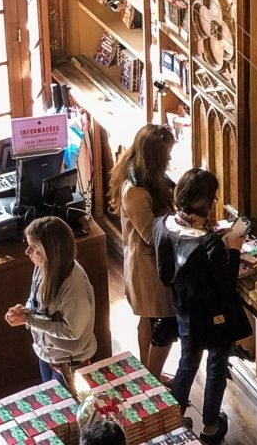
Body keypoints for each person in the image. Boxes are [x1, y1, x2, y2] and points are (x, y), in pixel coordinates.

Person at [154, 169, 250, 443]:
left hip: (184, 309)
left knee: (187, 362)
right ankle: (210, 425)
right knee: (217, 365)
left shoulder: (162, 225)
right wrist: (233, 248)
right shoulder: (209, 244)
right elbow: (226, 284)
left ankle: (173, 419)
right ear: (205, 202)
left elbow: (165, 272)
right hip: (213, 314)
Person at [108, 124, 177, 379]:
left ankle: (150, 374)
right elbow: (150, 235)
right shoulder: (135, 190)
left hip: (150, 262)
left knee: (149, 320)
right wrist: (180, 226)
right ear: (154, 157)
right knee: (159, 322)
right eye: (166, 155)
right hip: (148, 267)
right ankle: (153, 376)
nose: (169, 159)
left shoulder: (146, 176)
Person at [5, 216, 97, 385]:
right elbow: (36, 300)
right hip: (47, 355)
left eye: (33, 248)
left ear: (50, 252)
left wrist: (29, 320)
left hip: (70, 363)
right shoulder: (41, 267)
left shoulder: (74, 286)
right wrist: (25, 310)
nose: (27, 252)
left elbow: (72, 331)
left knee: (70, 409)